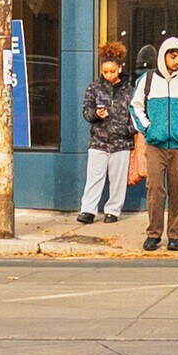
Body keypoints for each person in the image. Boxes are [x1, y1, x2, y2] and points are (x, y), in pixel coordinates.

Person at [130, 36, 178, 251]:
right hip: (155, 145)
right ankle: (153, 234)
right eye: (173, 56)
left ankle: (175, 236)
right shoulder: (148, 80)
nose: (177, 61)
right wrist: (148, 129)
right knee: (155, 190)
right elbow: (136, 106)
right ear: (164, 56)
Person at [77, 43, 135, 224]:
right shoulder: (94, 88)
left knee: (118, 180)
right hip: (99, 141)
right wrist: (96, 114)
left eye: (112, 71)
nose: (109, 75)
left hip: (121, 142)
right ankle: (88, 209)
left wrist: (128, 130)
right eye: (105, 71)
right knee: (94, 177)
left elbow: (137, 114)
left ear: (120, 67)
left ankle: (113, 210)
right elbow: (86, 111)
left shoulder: (130, 89)